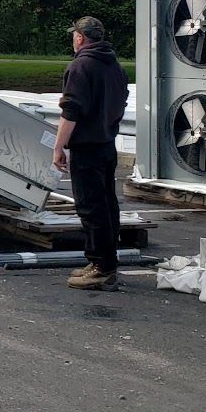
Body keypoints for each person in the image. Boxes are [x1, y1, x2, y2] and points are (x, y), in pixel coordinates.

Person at [53, 15, 130, 291]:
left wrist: (59, 146)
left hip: (86, 146)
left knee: (90, 206)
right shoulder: (115, 67)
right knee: (107, 204)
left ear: (80, 38)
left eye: (74, 35)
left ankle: (102, 267)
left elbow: (70, 111)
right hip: (107, 144)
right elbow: (121, 103)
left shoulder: (80, 66)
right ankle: (104, 259)